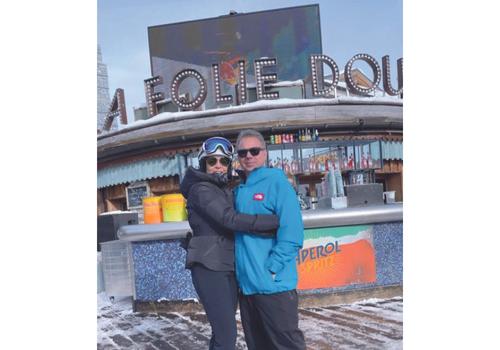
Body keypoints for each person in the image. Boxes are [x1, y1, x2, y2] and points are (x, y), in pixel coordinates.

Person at [180, 136, 279, 350]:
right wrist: (274, 222)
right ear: (203, 163)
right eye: (212, 161)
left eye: (223, 161)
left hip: (226, 264)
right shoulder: (201, 189)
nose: (218, 166)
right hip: (209, 266)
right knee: (226, 335)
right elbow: (229, 219)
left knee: (223, 333)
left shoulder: (222, 189)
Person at [233, 129, 306, 350]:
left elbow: (292, 233)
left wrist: (272, 269)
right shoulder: (238, 189)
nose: (249, 156)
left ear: (265, 154)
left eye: (254, 150)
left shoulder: (278, 184)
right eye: (243, 152)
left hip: (274, 287)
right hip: (247, 289)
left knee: (286, 345)